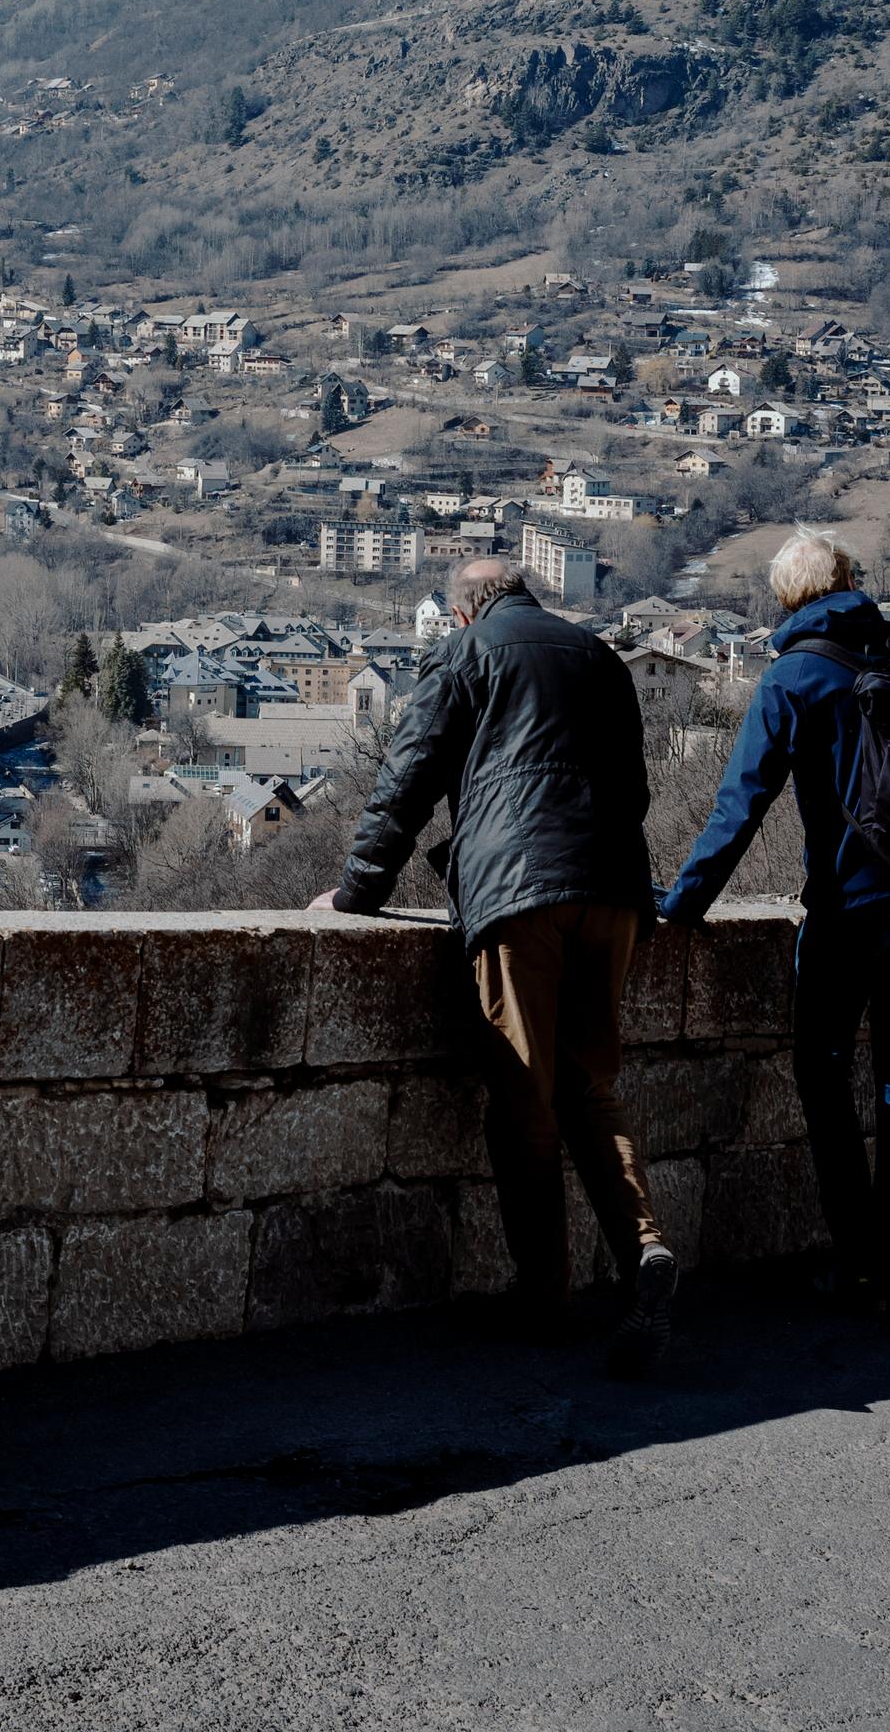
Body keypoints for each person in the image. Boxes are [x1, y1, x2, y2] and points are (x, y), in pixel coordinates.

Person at [316, 556, 679, 1374]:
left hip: (520, 892)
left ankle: (545, 1298)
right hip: (614, 887)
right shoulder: (598, 655)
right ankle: (645, 1252)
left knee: (526, 1093)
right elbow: (637, 790)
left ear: (461, 610)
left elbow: (407, 776)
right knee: (592, 1085)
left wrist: (357, 892)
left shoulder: (466, 653)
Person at [658, 528, 890, 1310]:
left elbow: (739, 808)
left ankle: (858, 1260)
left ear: (787, 598)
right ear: (849, 579)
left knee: (824, 1072)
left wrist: (682, 905)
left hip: (848, 906)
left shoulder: (794, 677)